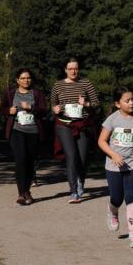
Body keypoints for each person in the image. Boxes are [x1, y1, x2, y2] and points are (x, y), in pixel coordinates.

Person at [98, 86, 133, 248]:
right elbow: (101, 141)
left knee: (131, 196)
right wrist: (113, 154)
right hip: (114, 167)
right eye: (127, 100)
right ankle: (113, 211)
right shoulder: (112, 119)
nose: (131, 103)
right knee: (117, 198)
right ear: (118, 104)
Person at [50, 58, 100, 203]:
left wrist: (86, 103)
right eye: (70, 68)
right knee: (71, 156)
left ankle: (80, 182)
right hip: (64, 125)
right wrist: (55, 109)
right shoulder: (58, 85)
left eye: (76, 68)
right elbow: (53, 105)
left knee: (82, 158)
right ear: (65, 70)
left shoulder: (86, 83)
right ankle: (73, 192)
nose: (73, 71)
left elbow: (96, 104)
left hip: (82, 124)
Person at [0, 68, 48, 206]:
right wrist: (9, 111)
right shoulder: (10, 94)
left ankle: (27, 190)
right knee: (20, 160)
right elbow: (1, 109)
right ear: (17, 80)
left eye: (28, 78)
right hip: (16, 131)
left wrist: (31, 108)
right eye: (23, 78)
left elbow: (44, 110)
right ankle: (22, 193)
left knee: (29, 162)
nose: (26, 80)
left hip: (33, 131)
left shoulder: (37, 94)